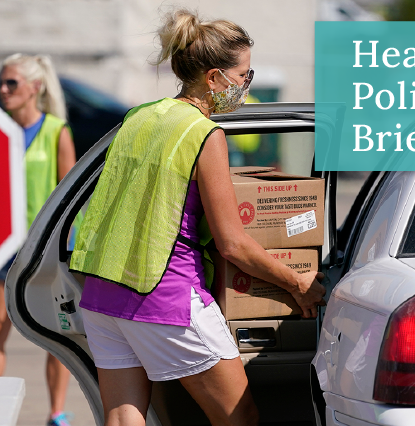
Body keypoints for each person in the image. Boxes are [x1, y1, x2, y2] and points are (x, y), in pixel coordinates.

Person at [68, 9, 326, 426]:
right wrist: (299, 283)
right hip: (163, 296)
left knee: (122, 417)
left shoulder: (140, 116)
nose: (246, 86)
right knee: (238, 416)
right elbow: (233, 243)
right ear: (214, 78)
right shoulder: (204, 134)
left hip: (103, 293)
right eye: (243, 75)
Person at [0, 53, 77, 426]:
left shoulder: (56, 130)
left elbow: (71, 196)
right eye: (1, 82)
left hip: (42, 252)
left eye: (11, 83)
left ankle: (56, 414)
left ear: (35, 88)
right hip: (1, 252)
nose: (2, 89)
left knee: (58, 335)